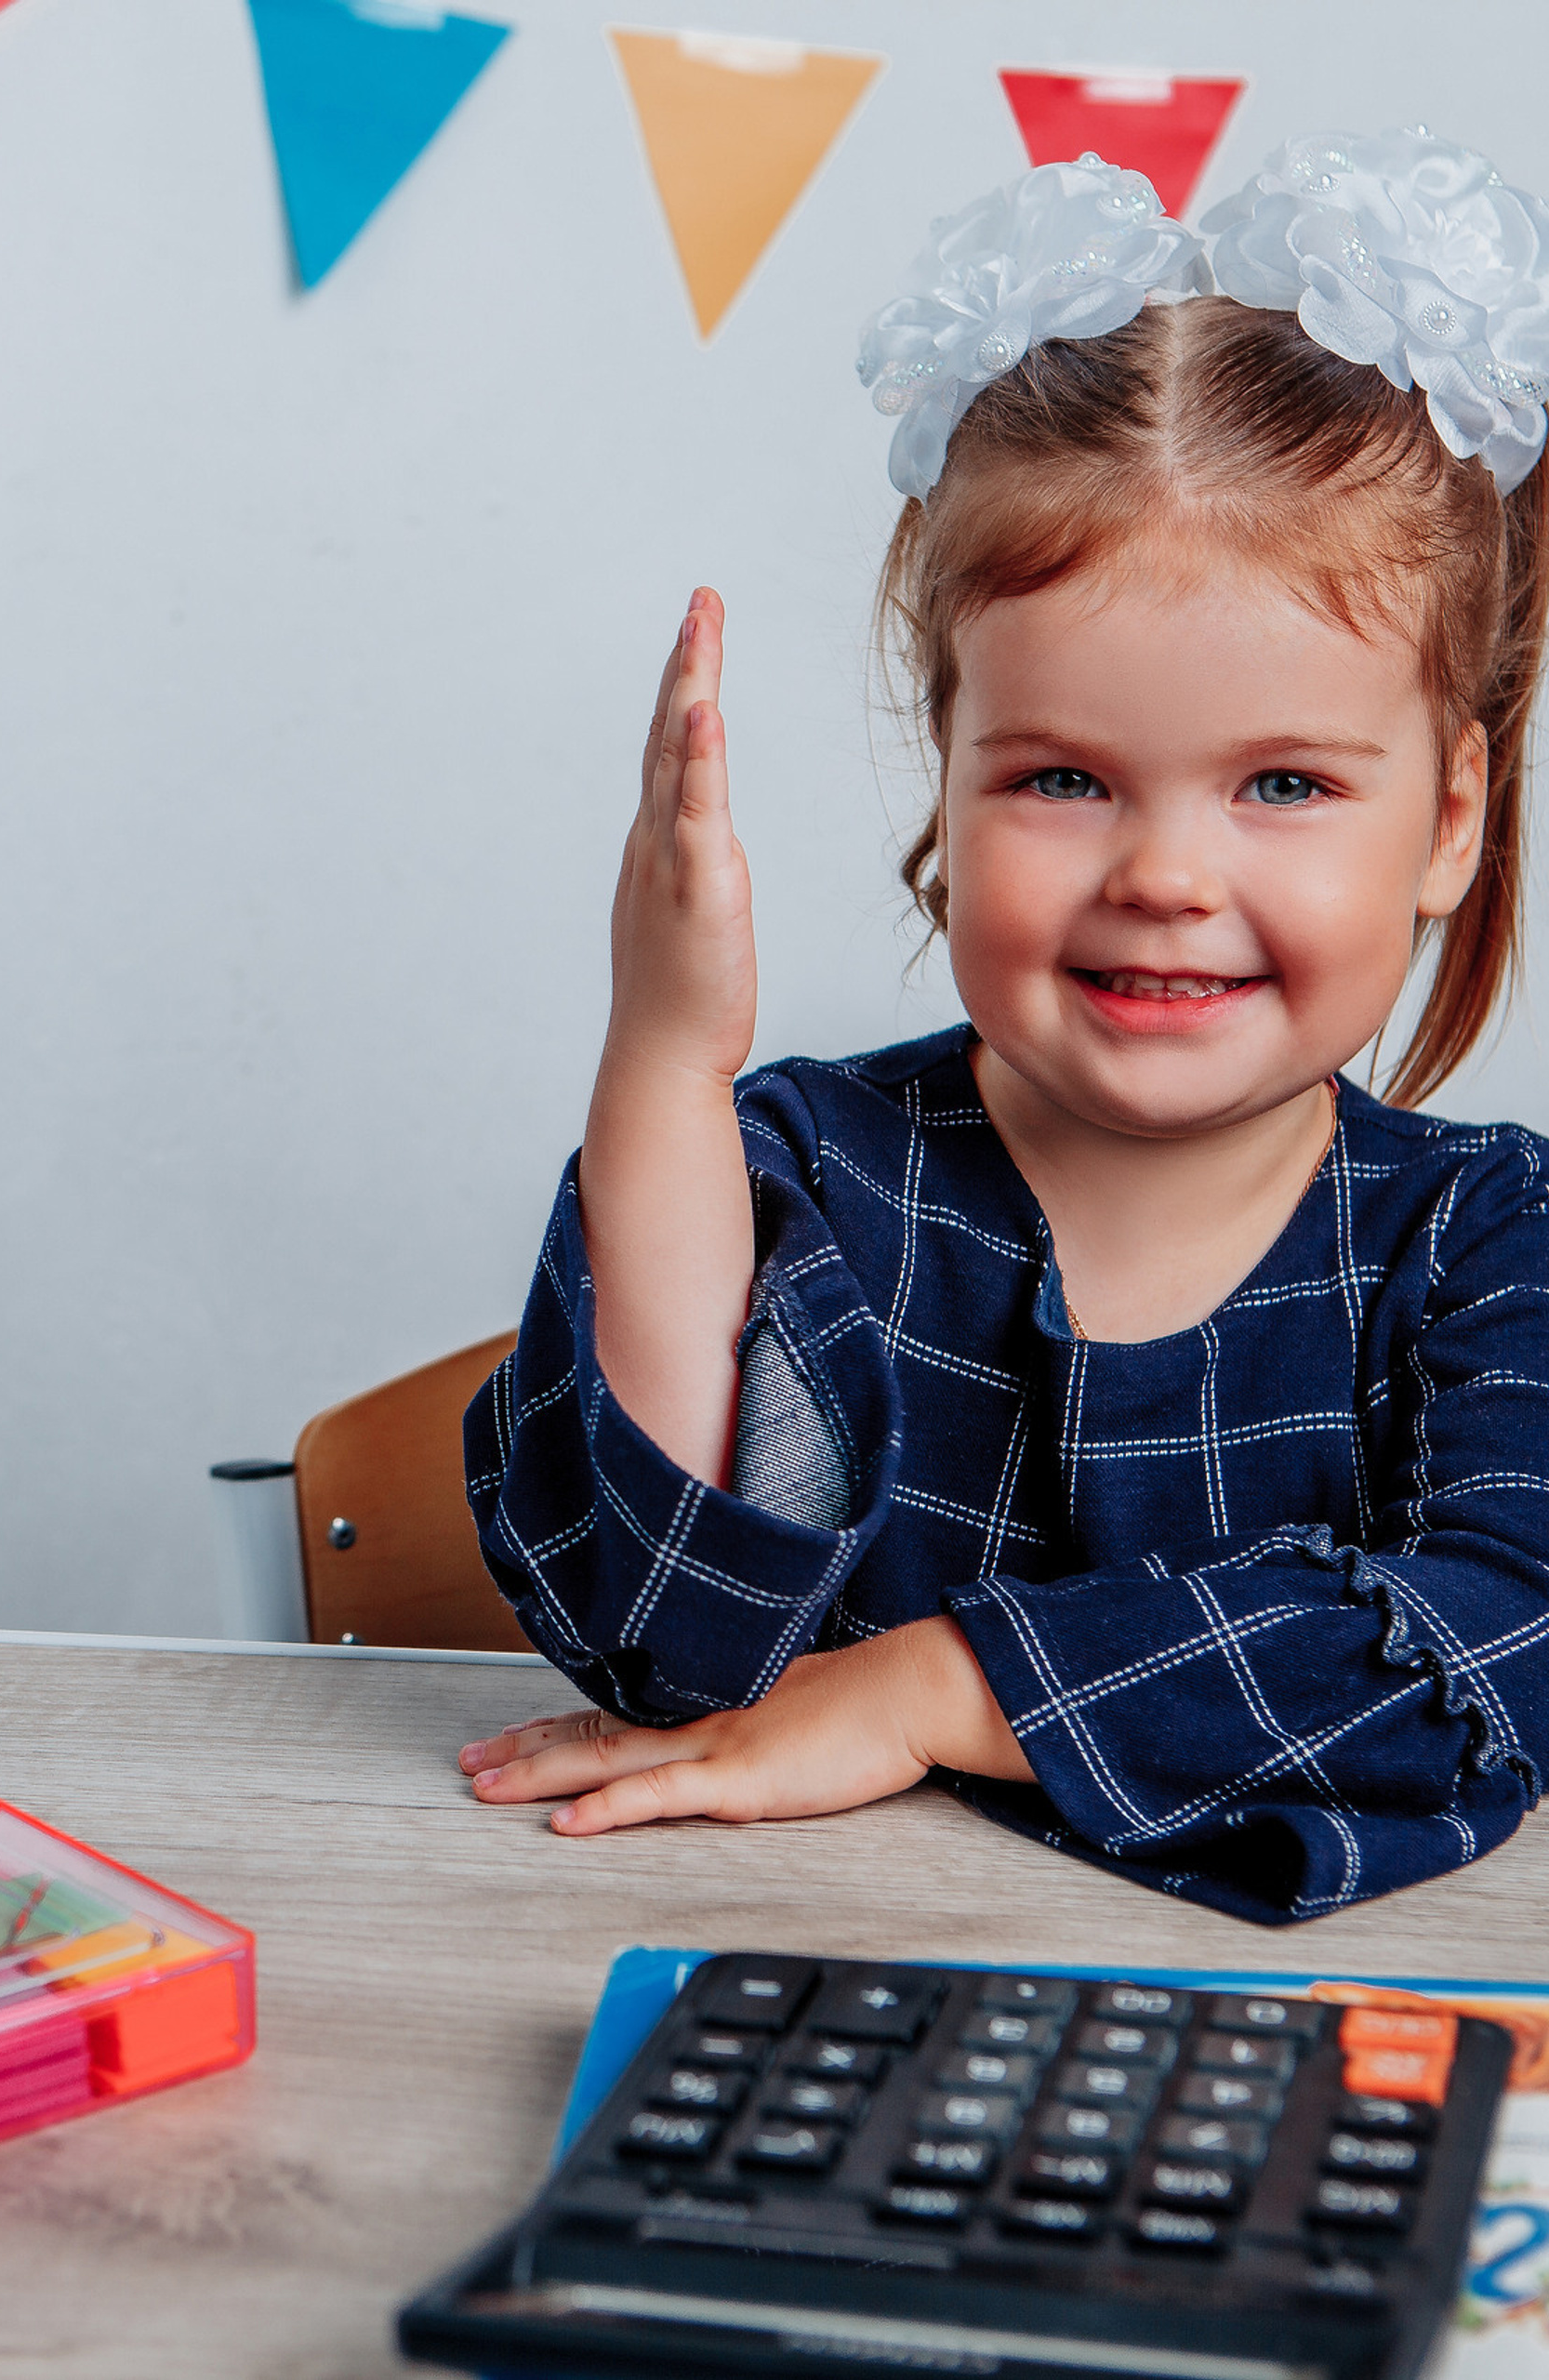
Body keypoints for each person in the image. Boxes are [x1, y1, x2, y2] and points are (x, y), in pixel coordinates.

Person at [456, 132, 1549, 1922]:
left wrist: (930, 1690)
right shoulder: (809, 1175)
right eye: (1061, 779)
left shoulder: (1490, 1240)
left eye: (1282, 781)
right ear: (946, 787)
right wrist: (662, 1059)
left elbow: (1506, 1643)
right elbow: (664, 1635)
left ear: (1446, 821)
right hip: (811, 1995)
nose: (1166, 876)